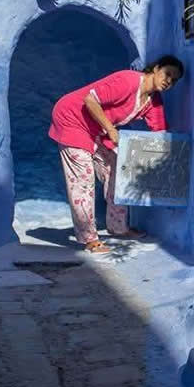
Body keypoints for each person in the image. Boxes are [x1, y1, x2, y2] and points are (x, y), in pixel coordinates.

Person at [48, 55, 184, 253]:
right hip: (72, 119)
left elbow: (161, 135)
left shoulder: (153, 101)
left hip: (96, 130)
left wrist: (175, 163)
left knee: (119, 169)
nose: (168, 81)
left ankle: (118, 227)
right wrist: (111, 130)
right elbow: (90, 100)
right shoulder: (129, 81)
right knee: (83, 179)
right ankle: (89, 239)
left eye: (174, 80)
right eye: (167, 74)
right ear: (156, 69)